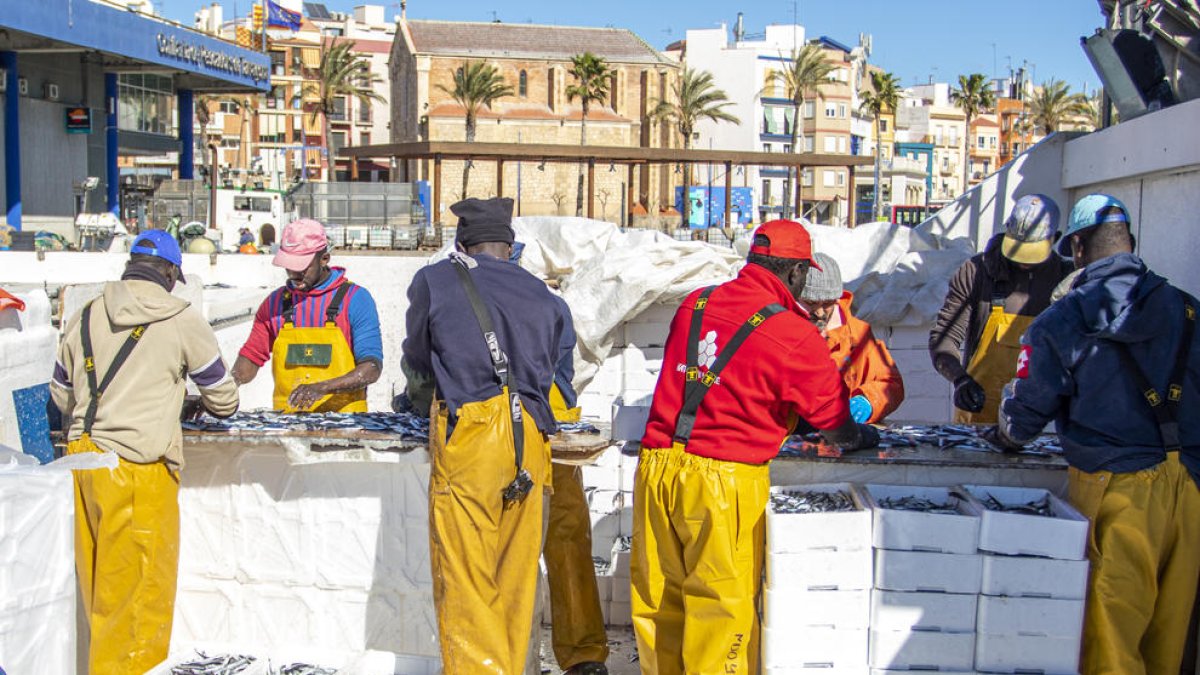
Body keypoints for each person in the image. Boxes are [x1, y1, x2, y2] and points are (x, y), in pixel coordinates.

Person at [631, 220, 880, 675]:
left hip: (657, 467)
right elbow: (835, 425)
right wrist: (861, 436)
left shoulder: (696, 303)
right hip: (723, 482)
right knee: (720, 610)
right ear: (796, 274)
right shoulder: (794, 335)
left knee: (659, 602)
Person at [989, 194, 1199, 674]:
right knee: (1169, 635)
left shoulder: (1063, 319)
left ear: (1077, 248)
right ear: (1132, 243)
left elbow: (1023, 418)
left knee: (1111, 634)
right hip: (1189, 487)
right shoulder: (1188, 309)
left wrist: (1006, 434)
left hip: (1120, 489)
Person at [50, 230, 239, 673]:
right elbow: (224, 399)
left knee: (98, 600)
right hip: (136, 469)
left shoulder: (83, 315)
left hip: (81, 465)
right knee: (137, 609)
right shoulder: (180, 317)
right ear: (171, 273)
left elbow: (61, 395)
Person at [402, 197, 563, 674]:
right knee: (515, 576)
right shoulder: (542, 294)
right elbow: (552, 365)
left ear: (460, 243)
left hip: (471, 435)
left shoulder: (436, 280)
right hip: (531, 437)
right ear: (510, 248)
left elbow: (417, 356)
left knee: (467, 575)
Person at [929, 194, 1071, 423]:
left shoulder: (1067, 278)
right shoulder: (976, 272)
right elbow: (944, 337)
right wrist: (960, 379)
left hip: (1043, 421)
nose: (1023, 261)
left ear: (1055, 239)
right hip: (980, 414)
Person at [231, 219, 382, 412]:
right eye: (289, 266)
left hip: (345, 424)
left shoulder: (355, 299)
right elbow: (250, 358)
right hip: (288, 423)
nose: (294, 274)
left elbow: (371, 368)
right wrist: (221, 389)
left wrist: (323, 388)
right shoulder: (275, 303)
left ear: (324, 259)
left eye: (302, 267)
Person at [544, 293, 610, 675]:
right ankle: (582, 652)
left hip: (543, 426)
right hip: (545, 418)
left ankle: (582, 651)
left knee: (564, 538)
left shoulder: (550, 306)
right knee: (565, 538)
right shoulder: (551, 303)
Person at [799, 252, 905, 423]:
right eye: (811, 303)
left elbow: (890, 383)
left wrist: (868, 401)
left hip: (844, 434)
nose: (819, 312)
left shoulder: (858, 333)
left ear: (837, 299)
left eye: (826, 304)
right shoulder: (779, 330)